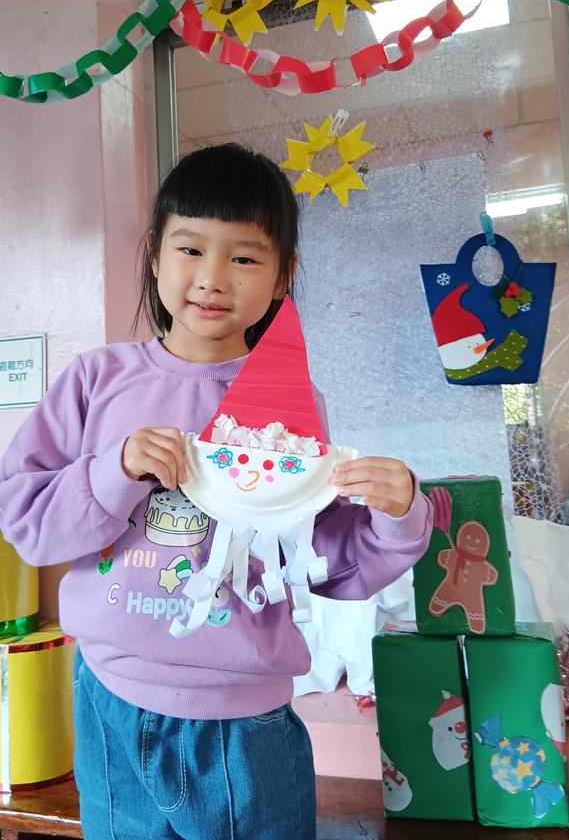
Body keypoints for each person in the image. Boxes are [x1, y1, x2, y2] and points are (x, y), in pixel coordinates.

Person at [0, 143, 432, 840]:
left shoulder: (291, 404)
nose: (211, 278)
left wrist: (399, 514)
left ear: (283, 275)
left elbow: (320, 560)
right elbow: (25, 518)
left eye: (244, 257)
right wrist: (113, 470)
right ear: (154, 253)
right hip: (108, 702)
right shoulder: (95, 380)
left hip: (246, 723)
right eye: (191, 248)